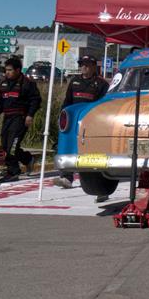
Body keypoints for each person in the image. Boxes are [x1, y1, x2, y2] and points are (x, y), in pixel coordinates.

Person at [54, 55, 109, 197]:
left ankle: (100, 187)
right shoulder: (74, 81)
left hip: (92, 123)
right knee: (70, 147)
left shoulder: (101, 83)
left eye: (86, 64)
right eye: (81, 64)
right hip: (73, 121)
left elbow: (104, 104)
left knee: (92, 152)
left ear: (93, 66)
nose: (83, 67)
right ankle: (67, 177)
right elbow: (67, 101)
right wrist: (62, 117)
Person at [0, 57, 41, 183]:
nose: (7, 72)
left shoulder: (27, 83)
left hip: (20, 118)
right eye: (5, 70)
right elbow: (0, 101)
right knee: (5, 145)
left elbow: (35, 100)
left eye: (10, 70)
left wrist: (30, 115)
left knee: (12, 147)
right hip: (7, 118)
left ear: (18, 70)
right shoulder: (4, 83)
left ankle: (13, 172)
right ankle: (27, 159)